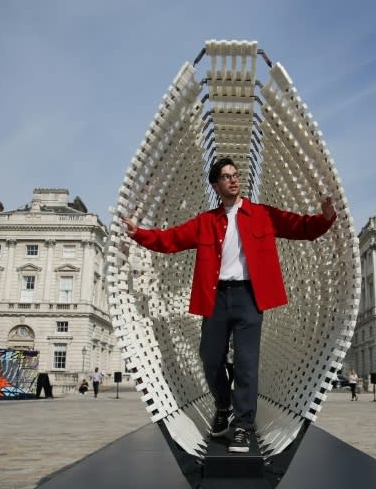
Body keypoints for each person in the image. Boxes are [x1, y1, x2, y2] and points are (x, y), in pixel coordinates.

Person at [121, 157, 336, 454]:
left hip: (250, 297)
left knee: (247, 364)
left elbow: (300, 227)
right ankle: (223, 406)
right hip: (216, 297)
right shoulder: (206, 222)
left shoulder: (262, 215)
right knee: (210, 358)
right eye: (226, 176)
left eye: (235, 175)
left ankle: (243, 427)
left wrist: (324, 218)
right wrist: (140, 234)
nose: (234, 180)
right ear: (216, 185)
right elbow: (169, 240)